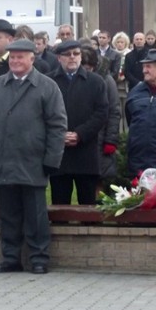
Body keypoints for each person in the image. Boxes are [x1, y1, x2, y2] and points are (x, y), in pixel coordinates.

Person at [0, 39, 67, 274]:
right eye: (12, 57)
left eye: (20, 57)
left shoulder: (47, 87)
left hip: (33, 161)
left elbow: (57, 126)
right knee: (7, 213)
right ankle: (10, 257)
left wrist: (52, 159)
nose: (15, 61)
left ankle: (39, 257)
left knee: (36, 215)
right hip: (3, 160)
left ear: (32, 58)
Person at [47, 40, 108, 205]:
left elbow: (101, 113)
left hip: (86, 152)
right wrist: (60, 135)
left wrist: (80, 134)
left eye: (76, 53)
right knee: (60, 205)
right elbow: (42, 114)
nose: (72, 58)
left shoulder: (96, 81)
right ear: (59, 58)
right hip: (59, 154)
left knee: (88, 205)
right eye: (67, 54)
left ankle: (88, 231)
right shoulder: (49, 82)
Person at [79, 47, 121, 195]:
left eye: (89, 68)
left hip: (101, 137)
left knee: (99, 178)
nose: (86, 71)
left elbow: (114, 111)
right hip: (82, 136)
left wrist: (111, 140)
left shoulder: (106, 80)